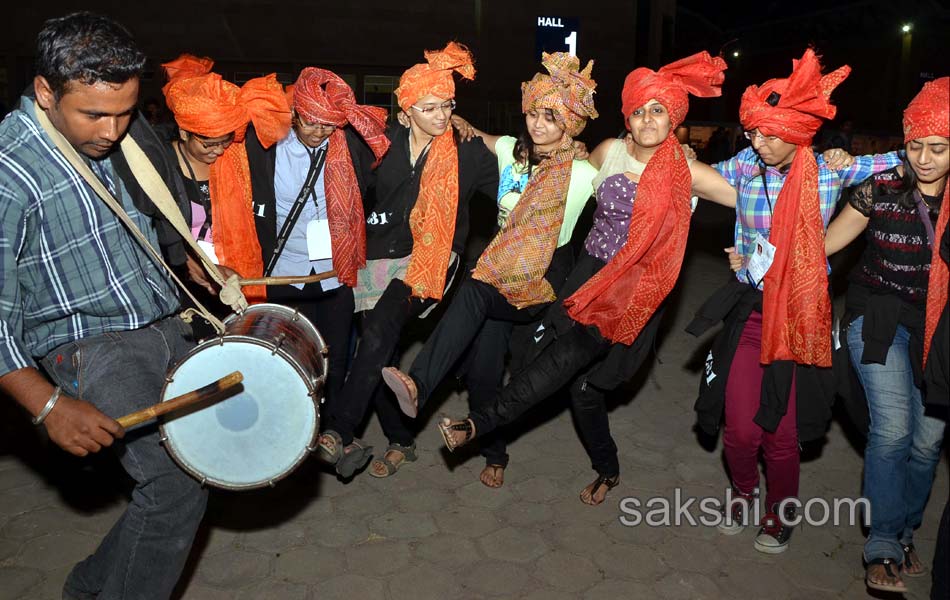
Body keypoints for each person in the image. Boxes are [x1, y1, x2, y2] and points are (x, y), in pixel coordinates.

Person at [438, 51, 737, 505]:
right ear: (627, 117)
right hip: (587, 273)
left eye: (657, 111)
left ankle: (477, 424)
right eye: (638, 111)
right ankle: (608, 468)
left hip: (632, 291)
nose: (646, 120)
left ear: (674, 116)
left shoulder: (687, 172)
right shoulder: (609, 152)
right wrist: (471, 131)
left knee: (562, 363)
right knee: (579, 388)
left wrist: (752, 251)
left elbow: (754, 201)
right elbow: (557, 170)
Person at [0, 13, 209, 599]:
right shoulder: (9, 173)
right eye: (95, 113)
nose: (114, 130)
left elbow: (121, 227)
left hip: (159, 322)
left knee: (194, 472)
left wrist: (184, 263)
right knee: (172, 490)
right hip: (90, 347)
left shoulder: (98, 131)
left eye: (126, 111)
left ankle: (91, 585)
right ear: (45, 91)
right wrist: (47, 406)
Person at [688, 49, 902, 555]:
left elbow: (900, 161)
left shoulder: (827, 173)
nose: (758, 142)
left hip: (798, 317)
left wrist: (850, 157)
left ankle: (779, 514)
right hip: (748, 309)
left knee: (779, 435)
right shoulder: (745, 164)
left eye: (769, 133)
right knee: (739, 429)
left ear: (799, 130)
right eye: (753, 132)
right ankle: (743, 494)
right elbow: (698, 175)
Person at [380, 51, 599, 484]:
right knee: (483, 368)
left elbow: (630, 163)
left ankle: (421, 384)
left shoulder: (581, 172)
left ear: (570, 125)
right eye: (534, 114)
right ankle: (495, 455)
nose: (539, 125)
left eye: (552, 119)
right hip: (499, 270)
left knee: (474, 290)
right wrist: (458, 122)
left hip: (540, 279)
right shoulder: (510, 153)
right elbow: (474, 132)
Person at [316, 42, 498, 479]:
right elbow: (334, 168)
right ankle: (401, 440)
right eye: (430, 107)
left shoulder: (466, 151)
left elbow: (518, 175)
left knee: (379, 330)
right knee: (378, 352)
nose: (441, 116)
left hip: (432, 258)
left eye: (448, 106)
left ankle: (339, 430)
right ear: (406, 112)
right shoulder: (379, 144)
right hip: (376, 257)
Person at [822, 77, 947, 593]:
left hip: (938, 330)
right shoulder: (884, 187)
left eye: (938, 148)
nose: (923, 158)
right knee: (893, 429)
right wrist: (763, 253)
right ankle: (882, 545)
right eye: (915, 145)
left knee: (927, 443)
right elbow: (825, 245)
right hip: (877, 316)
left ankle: (907, 530)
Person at [246, 67, 389, 412]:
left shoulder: (349, 144)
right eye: (310, 121)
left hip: (333, 271)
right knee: (281, 354)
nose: (318, 132)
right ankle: (284, 418)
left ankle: (327, 427)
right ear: (294, 112)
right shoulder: (267, 145)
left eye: (327, 124)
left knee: (334, 355)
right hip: (283, 272)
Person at [162, 54, 291, 304]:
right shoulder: (164, 165)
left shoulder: (233, 158)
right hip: (182, 278)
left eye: (225, 141)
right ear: (184, 132)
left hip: (231, 276)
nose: (219, 151)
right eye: (209, 144)